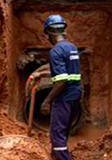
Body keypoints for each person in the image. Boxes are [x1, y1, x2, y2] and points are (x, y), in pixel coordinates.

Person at [37, 15, 82, 160]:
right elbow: (68, 71)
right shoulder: (71, 47)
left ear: (49, 33)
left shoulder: (55, 51)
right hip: (75, 94)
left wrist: (47, 101)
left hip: (63, 97)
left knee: (56, 136)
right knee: (63, 132)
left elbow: (61, 80)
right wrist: (43, 73)